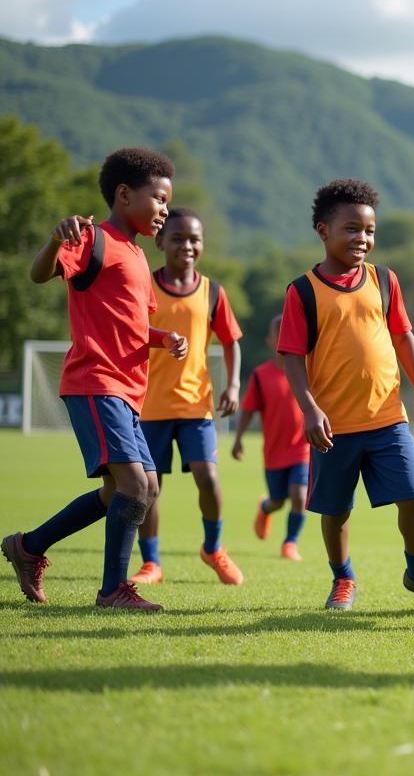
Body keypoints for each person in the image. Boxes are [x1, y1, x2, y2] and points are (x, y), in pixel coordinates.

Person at [2, 147, 186, 611]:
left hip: (127, 391)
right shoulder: (92, 239)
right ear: (124, 195)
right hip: (95, 380)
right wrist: (53, 240)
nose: (165, 209)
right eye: (159, 198)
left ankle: (28, 547)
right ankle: (112, 591)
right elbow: (39, 274)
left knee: (136, 487)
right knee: (134, 486)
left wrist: (163, 338)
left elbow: (130, 326)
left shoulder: (140, 257)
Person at [278, 178, 414, 612]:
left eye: (368, 230)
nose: (362, 238)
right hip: (333, 426)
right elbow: (291, 356)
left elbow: (404, 337)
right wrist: (309, 410)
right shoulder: (303, 291)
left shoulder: (383, 280)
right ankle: (343, 579)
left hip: (387, 417)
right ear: (323, 231)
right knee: (335, 510)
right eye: (351, 229)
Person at [129, 208, 244, 586]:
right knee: (150, 486)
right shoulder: (144, 284)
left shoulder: (213, 291)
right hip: (149, 404)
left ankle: (213, 548)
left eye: (194, 239)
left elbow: (230, 341)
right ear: (160, 242)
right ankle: (152, 563)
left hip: (196, 404)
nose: (187, 245)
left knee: (208, 477)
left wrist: (233, 384)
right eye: (177, 238)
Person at [232, 314, 310, 561]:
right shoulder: (261, 375)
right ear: (270, 340)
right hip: (274, 452)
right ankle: (265, 507)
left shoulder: (308, 370)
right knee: (278, 500)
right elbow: (248, 409)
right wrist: (238, 439)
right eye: (278, 335)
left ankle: (290, 543)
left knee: (299, 495)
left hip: (303, 448)